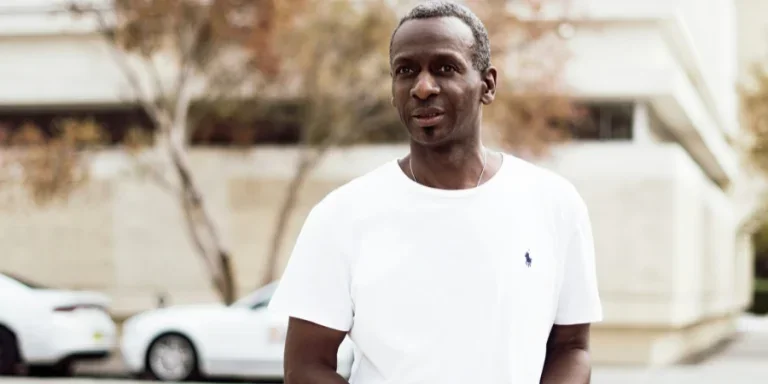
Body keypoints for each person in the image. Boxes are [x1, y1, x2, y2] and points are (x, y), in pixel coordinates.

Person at [268, 1, 602, 383]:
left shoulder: (554, 203)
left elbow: (572, 349)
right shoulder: (341, 215)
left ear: (487, 85)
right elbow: (305, 366)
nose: (423, 87)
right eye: (405, 71)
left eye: (445, 67)